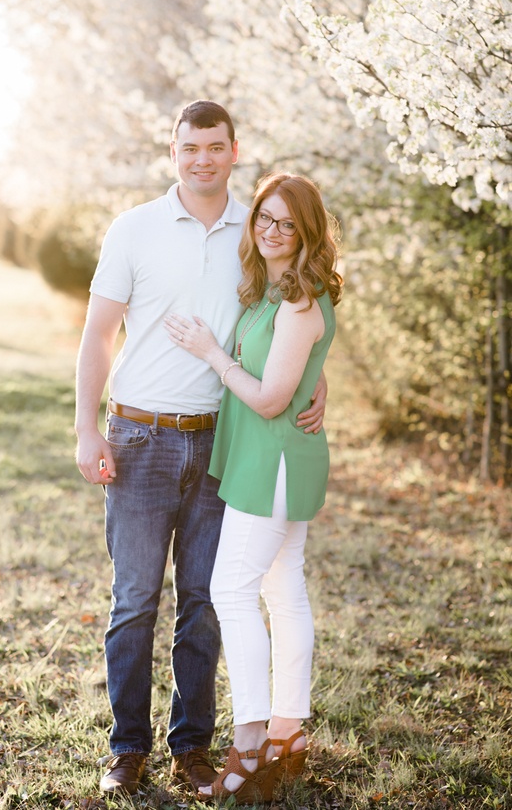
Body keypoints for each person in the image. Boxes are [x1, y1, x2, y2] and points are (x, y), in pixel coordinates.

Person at [74, 101, 328, 797]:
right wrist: (85, 425)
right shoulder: (136, 229)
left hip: (222, 441)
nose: (202, 159)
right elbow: (98, 333)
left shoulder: (256, 228)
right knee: (133, 601)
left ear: (234, 150)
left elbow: (292, 310)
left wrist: (318, 375)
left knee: (205, 601)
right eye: (190, 147)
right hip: (139, 436)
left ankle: (192, 745)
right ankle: (128, 748)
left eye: (215, 147)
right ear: (174, 149)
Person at [164, 171, 343, 804]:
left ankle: (248, 742)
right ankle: (288, 735)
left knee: (230, 589)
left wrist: (214, 354)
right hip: (274, 456)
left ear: (307, 232)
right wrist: (316, 381)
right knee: (282, 586)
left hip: (276, 460)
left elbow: (269, 398)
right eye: (263, 218)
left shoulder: (298, 301)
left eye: (285, 223)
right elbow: (298, 370)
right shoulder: (275, 288)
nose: (270, 230)